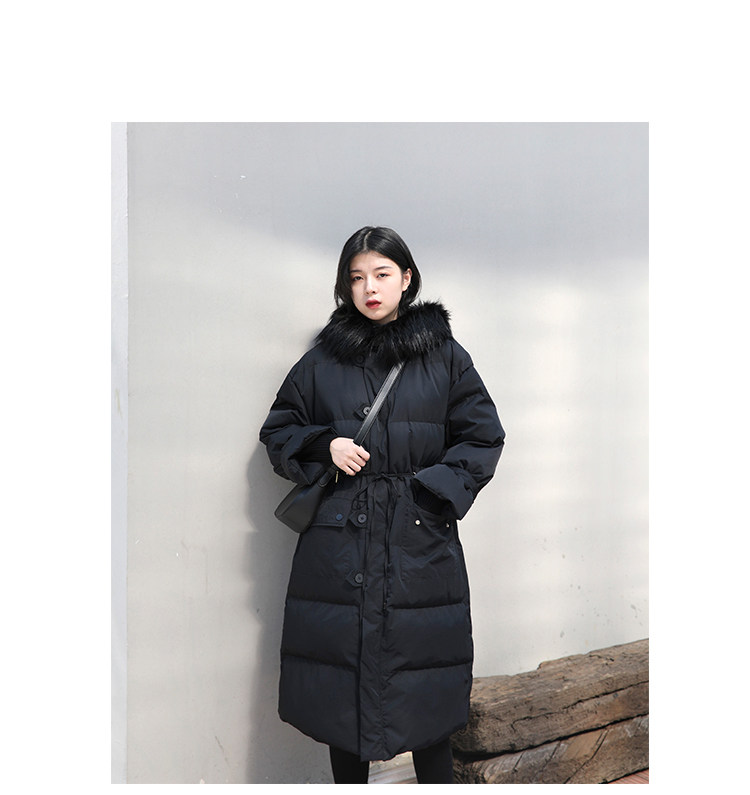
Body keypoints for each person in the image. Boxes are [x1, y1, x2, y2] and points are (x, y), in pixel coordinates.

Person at [259, 226, 505, 784]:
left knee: (427, 694)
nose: (369, 288)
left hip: (418, 544)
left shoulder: (444, 356)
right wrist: (325, 445)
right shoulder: (322, 361)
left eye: (381, 274)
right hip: (338, 544)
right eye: (357, 277)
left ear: (406, 278)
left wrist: (429, 498)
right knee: (342, 701)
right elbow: (279, 430)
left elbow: (483, 436)